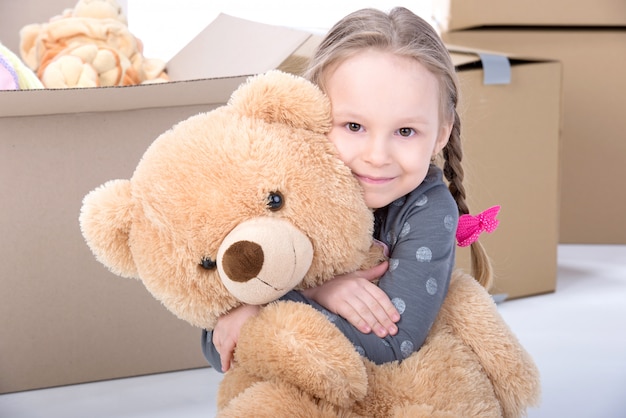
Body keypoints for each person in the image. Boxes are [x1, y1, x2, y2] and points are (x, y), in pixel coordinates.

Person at [202, 6, 496, 373]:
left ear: (441, 133)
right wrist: (317, 292)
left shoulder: (427, 209)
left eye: (405, 132)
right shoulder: (278, 187)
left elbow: (391, 344)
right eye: (354, 126)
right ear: (312, 114)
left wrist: (266, 306)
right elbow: (217, 344)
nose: (377, 156)